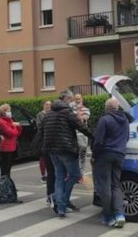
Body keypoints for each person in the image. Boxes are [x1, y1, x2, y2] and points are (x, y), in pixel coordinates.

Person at [41, 90, 93, 218]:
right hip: (66, 149)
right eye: (71, 100)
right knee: (75, 175)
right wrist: (94, 136)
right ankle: (61, 201)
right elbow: (80, 126)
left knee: (59, 177)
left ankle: (60, 208)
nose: (72, 103)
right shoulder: (67, 112)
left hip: (52, 150)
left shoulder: (49, 113)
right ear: (67, 99)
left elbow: (42, 130)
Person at [92, 98, 129, 228]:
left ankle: (108, 216)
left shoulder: (104, 119)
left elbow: (98, 141)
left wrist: (94, 156)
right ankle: (120, 214)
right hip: (120, 154)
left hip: (105, 155)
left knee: (104, 186)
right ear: (117, 108)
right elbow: (127, 138)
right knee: (116, 185)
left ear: (107, 108)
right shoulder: (125, 120)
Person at [0, 104, 21, 178]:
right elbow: (10, 133)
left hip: (12, 146)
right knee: (5, 167)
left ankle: (8, 183)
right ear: (3, 112)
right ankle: (4, 184)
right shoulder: (1, 122)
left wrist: (18, 126)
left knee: (9, 167)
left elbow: (18, 133)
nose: (10, 112)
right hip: (5, 147)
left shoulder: (10, 120)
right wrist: (14, 126)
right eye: (8, 111)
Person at [71, 94, 91, 182]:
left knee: (82, 156)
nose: (77, 101)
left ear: (81, 99)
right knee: (74, 156)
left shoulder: (86, 110)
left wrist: (78, 111)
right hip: (73, 135)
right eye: (76, 99)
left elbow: (82, 120)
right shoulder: (71, 110)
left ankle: (81, 175)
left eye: (79, 99)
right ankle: (75, 175)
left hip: (82, 136)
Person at [36, 101, 51, 184]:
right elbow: (39, 126)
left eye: (49, 105)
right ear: (43, 105)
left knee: (50, 157)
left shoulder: (52, 113)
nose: (48, 106)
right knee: (42, 157)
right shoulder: (40, 115)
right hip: (43, 138)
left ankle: (50, 173)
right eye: (46, 104)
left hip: (51, 139)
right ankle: (43, 175)